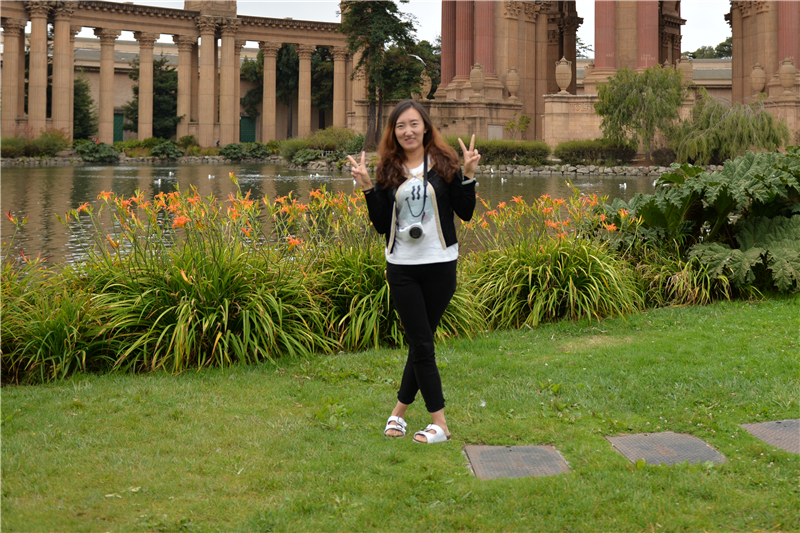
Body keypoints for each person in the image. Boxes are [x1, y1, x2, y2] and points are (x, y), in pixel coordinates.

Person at [347, 100, 480, 444]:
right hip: (402, 267)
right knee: (421, 342)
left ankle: (398, 413)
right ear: (394, 132)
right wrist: (367, 187)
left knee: (421, 343)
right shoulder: (388, 170)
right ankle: (440, 424)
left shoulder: (445, 165)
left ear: (425, 127)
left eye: (413, 124)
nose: (408, 131)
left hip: (440, 265)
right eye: (400, 126)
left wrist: (468, 175)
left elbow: (465, 212)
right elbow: (381, 224)